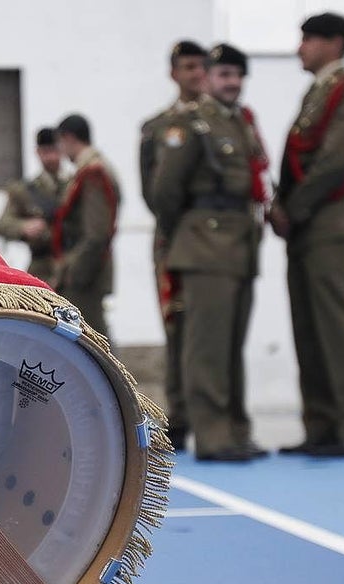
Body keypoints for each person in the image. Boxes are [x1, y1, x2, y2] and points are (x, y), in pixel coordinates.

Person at [269, 12, 344, 457]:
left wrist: (292, 211)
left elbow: (336, 162)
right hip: (310, 224)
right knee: (309, 329)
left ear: (334, 43)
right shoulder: (320, 93)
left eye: (308, 40)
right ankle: (322, 427)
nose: (300, 48)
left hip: (331, 221)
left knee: (336, 327)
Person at [151, 44, 270, 462]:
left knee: (231, 345)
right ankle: (213, 435)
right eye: (222, 74)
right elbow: (165, 192)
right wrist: (187, 232)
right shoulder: (191, 124)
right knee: (206, 348)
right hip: (205, 244)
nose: (230, 82)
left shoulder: (239, 124)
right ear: (207, 78)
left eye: (237, 75)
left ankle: (236, 430)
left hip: (240, 244)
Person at [139, 40, 208, 451]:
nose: (195, 74)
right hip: (172, 238)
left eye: (200, 67)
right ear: (173, 73)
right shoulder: (157, 127)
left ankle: (215, 418)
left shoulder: (223, 120)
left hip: (215, 242)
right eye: (187, 67)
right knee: (176, 326)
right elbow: (152, 190)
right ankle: (179, 416)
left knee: (213, 334)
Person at [53, 114, 120, 340]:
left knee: (93, 342)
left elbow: (96, 233)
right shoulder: (89, 169)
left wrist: (74, 273)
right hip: (85, 270)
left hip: (86, 274)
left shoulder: (93, 172)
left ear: (69, 138)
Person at [0, 127, 65, 285]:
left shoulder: (74, 185)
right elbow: (2, 224)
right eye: (46, 152)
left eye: (54, 151)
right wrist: (23, 227)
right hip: (42, 269)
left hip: (71, 269)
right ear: (38, 152)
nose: (51, 157)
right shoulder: (25, 191)